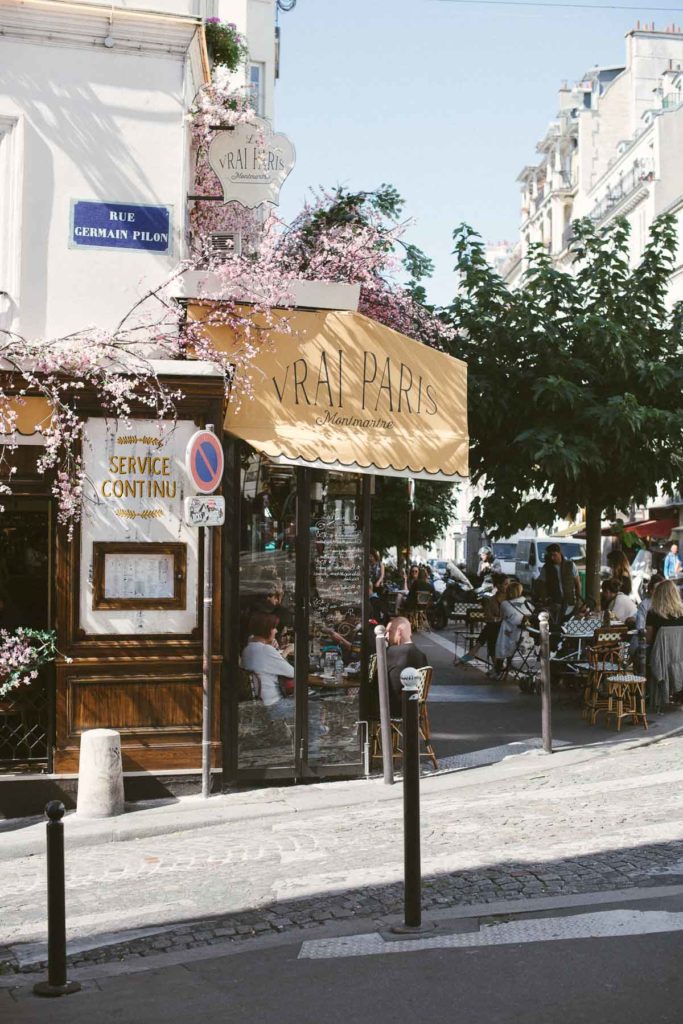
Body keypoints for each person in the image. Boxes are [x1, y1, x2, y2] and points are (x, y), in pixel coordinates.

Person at [240, 611, 294, 713]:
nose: (276, 631)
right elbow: (292, 673)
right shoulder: (266, 650)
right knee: (312, 706)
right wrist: (286, 651)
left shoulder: (247, 649)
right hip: (273, 705)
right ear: (266, 630)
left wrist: (273, 650)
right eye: (274, 628)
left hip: (259, 704)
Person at [458, 572, 508, 673]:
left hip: (507, 628)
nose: (507, 587)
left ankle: (473, 652)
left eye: (508, 584)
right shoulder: (491, 600)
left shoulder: (510, 599)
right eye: (505, 584)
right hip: (497, 628)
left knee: (490, 629)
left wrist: (498, 619)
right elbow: (488, 616)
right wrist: (497, 619)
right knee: (491, 630)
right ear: (498, 585)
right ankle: (496, 666)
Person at [384, 616, 428, 717]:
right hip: (414, 705)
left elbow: (375, 681)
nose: (386, 636)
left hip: (391, 707)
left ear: (399, 632)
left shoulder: (391, 652)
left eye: (389, 632)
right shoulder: (421, 655)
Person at [532, 543, 582, 623]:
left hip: (570, 602)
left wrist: (578, 598)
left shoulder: (571, 565)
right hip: (554, 603)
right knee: (556, 624)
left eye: (554, 555)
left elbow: (577, 583)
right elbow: (542, 585)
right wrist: (545, 599)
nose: (552, 558)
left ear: (559, 553)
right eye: (550, 555)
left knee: (570, 623)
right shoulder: (546, 568)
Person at [494, 581, 533, 678]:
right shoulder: (528, 603)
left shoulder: (504, 604)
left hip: (511, 639)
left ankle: (499, 664)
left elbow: (501, 617)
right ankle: (508, 663)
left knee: (503, 625)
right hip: (528, 638)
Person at [645, 579, 683, 644]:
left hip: (659, 653)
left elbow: (649, 640)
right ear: (676, 594)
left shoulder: (652, 614)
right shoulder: (681, 612)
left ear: (657, 595)